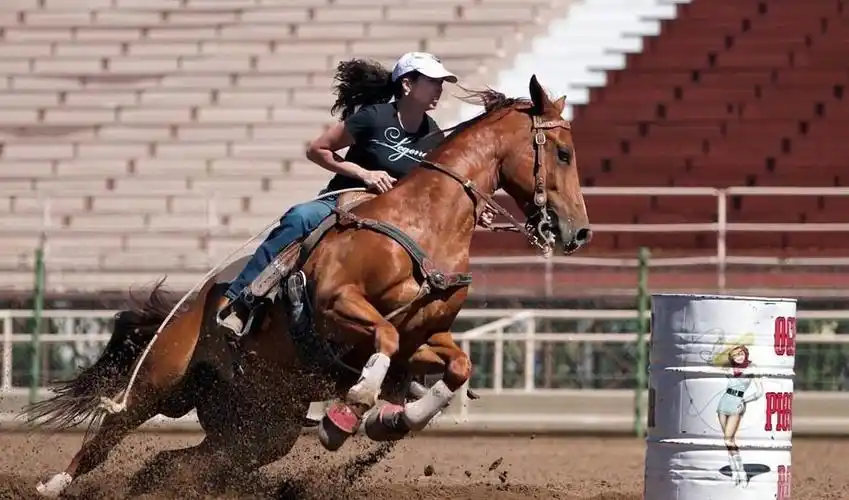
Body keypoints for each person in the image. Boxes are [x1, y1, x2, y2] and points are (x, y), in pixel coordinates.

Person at [216, 52, 460, 338]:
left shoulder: (433, 135)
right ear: (407, 84)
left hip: (394, 218)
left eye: (441, 82)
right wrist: (364, 174)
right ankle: (242, 302)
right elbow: (317, 150)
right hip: (344, 201)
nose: (439, 88)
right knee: (299, 216)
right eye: (433, 81)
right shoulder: (374, 117)